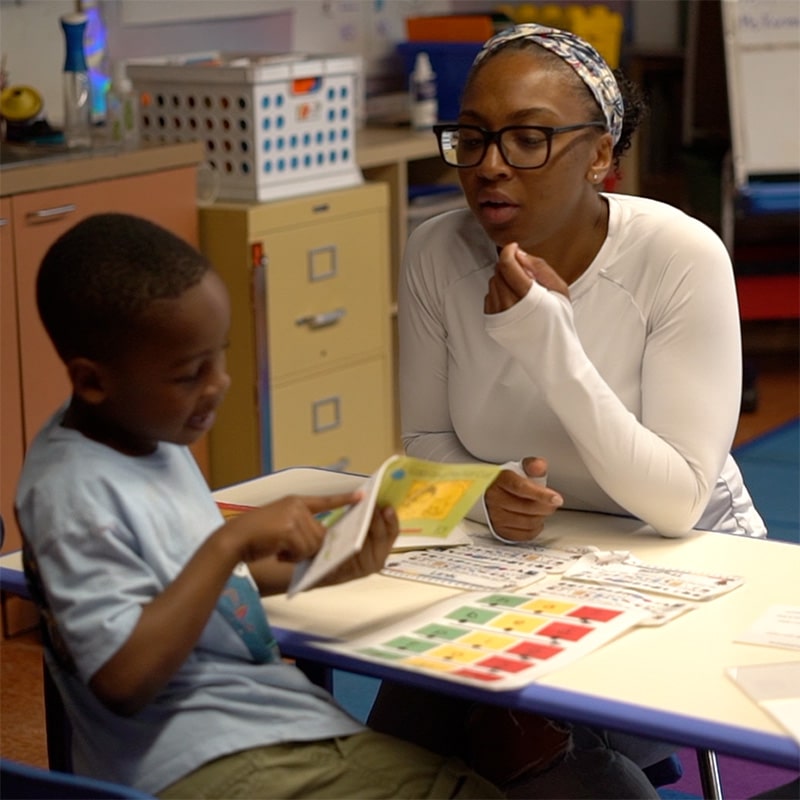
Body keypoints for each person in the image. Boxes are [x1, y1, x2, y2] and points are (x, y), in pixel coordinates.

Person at [368, 22, 766, 799]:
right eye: (473, 138)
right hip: (524, 561)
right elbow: (424, 443)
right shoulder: (434, 251)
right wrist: (484, 490)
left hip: (682, 565)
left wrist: (549, 341)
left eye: (527, 140)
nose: (489, 167)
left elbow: (677, 501)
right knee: (398, 731)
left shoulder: (680, 256)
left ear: (600, 155)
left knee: (550, 758)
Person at [15, 212, 502, 800]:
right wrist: (232, 542)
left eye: (218, 356)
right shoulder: (71, 490)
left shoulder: (147, 433)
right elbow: (121, 679)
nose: (218, 384)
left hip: (252, 724)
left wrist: (333, 560)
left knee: (458, 733)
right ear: (93, 381)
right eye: (191, 373)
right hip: (199, 760)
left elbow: (201, 592)